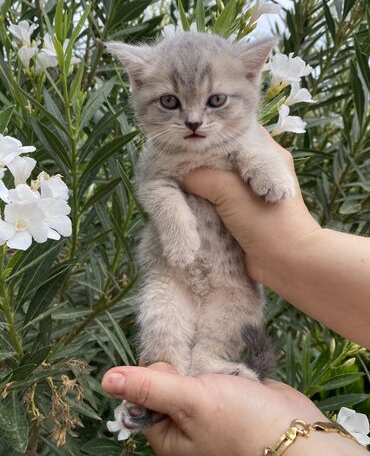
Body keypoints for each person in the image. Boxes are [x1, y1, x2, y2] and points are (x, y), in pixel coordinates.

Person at [102, 133, 370, 456]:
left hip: (231, 281)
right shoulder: (163, 143)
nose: (194, 121)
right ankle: (170, 374)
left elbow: (252, 146)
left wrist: (262, 435)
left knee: (236, 308)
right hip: (174, 277)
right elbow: (153, 182)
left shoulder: (239, 132)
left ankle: (205, 364)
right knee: (162, 324)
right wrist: (294, 247)